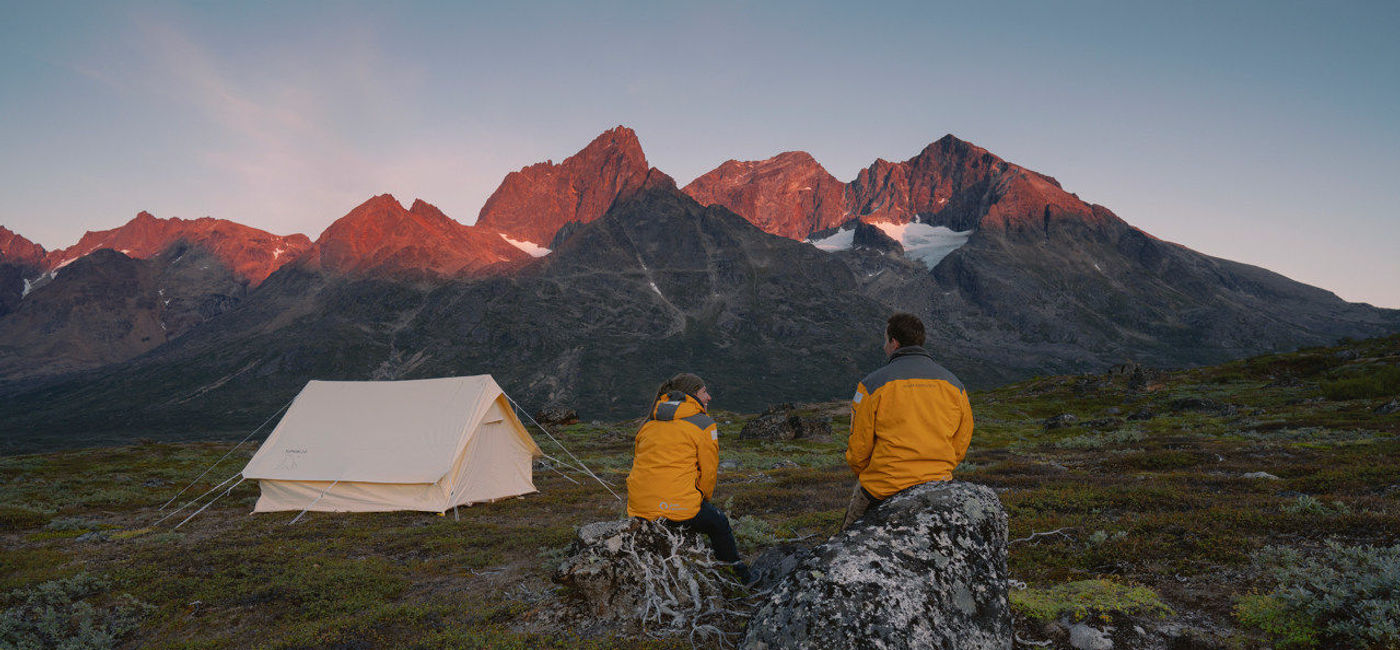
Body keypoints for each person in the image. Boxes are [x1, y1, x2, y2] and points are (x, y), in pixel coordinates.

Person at [842, 313, 974, 530]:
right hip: (938, 482)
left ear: (894, 342)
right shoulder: (954, 384)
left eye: (885, 340)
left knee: (845, 541)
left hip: (883, 487)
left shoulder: (871, 385)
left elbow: (858, 449)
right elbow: (962, 439)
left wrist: (871, 474)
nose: (884, 346)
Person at [626, 372, 750, 583]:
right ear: (692, 395)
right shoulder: (703, 424)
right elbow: (708, 473)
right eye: (704, 392)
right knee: (718, 522)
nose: (709, 397)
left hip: (640, 508)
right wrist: (703, 499)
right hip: (678, 509)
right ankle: (738, 576)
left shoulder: (649, 423)